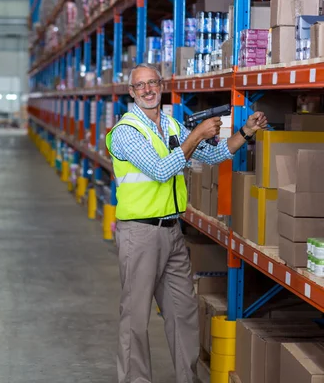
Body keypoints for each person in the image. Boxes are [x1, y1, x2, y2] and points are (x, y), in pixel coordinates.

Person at [105, 63, 268, 383]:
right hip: (139, 233)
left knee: (183, 312)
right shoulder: (126, 131)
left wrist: (245, 131)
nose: (148, 90)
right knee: (135, 319)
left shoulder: (170, 123)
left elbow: (213, 154)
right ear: (132, 92)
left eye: (153, 83)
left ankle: (187, 379)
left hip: (172, 232)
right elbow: (162, 169)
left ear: (161, 85)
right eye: (141, 86)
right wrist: (195, 134)